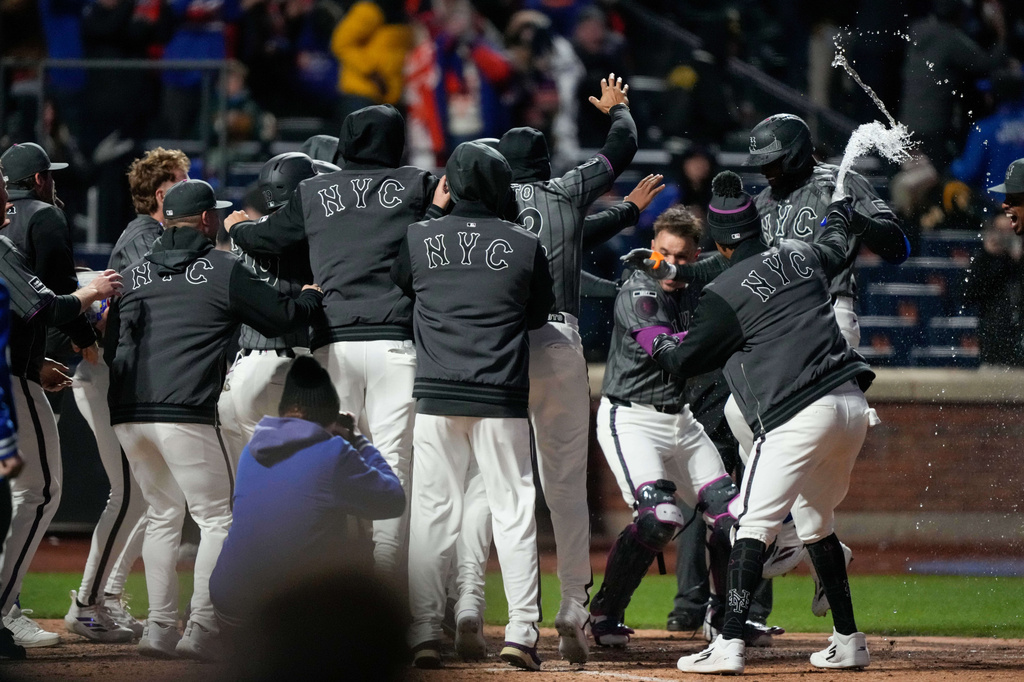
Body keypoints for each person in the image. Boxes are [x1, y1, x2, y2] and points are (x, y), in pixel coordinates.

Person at [645, 172, 874, 674]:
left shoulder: (723, 291)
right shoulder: (798, 252)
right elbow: (836, 243)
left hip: (800, 414)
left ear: (720, 245)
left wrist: (655, 338)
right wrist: (838, 210)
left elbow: (684, 362)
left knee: (751, 524)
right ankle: (848, 639)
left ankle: (728, 644)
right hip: (851, 407)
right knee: (818, 523)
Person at [225, 104, 447, 585]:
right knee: (393, 473)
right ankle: (393, 593)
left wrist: (235, 228)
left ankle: (344, 584)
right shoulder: (419, 183)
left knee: (332, 464)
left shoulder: (313, 190)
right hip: (397, 345)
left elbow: (266, 238)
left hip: (334, 349)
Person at [106, 179, 324, 661]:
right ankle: (200, 629)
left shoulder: (136, 271)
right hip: (182, 410)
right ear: (207, 220)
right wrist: (309, 296)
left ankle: (159, 630)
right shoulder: (221, 266)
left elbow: (111, 341)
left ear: (165, 221)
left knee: (163, 514)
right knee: (218, 519)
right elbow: (280, 317)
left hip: (127, 413)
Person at [460, 72, 634, 663]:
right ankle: (574, 606)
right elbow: (621, 150)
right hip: (558, 341)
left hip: (499, 347)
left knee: (495, 486)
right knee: (564, 488)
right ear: (544, 160)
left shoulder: (483, 207)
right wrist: (617, 110)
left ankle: (496, 615)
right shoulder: (563, 193)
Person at [391, 141, 554, 671]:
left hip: (437, 393)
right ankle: (522, 630)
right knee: (513, 511)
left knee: (433, 513)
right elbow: (536, 316)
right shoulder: (526, 243)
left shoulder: (418, 237)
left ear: (452, 184)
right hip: (501, 393)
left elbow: (400, 282)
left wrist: (435, 212)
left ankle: (421, 631)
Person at [591, 206, 748, 647]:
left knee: (734, 520)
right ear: (653, 248)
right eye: (663, 253)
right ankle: (605, 613)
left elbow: (734, 256)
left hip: (681, 419)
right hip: (632, 417)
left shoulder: (696, 283)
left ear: (694, 255)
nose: (671, 265)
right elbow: (664, 349)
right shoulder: (638, 291)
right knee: (661, 517)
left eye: (682, 257)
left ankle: (725, 617)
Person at [64, 147, 191, 644]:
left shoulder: (152, 235)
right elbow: (155, 296)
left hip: (117, 376)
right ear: (163, 193)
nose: (190, 184)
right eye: (183, 181)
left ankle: (107, 596)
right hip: (103, 377)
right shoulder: (144, 237)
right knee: (133, 493)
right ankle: (87, 603)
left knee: (149, 494)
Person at [0, 161, 125, 647]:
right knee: (43, 491)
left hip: (18, 369)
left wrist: (34, 364)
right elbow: (45, 305)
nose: (9, 202)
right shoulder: (9, 241)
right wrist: (91, 291)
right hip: (11, 381)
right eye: (0, 194)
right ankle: (4, 610)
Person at [210, 356, 404, 635]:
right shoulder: (334, 452)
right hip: (282, 610)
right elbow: (393, 499)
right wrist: (358, 439)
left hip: (229, 605)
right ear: (329, 416)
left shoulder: (252, 449)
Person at [218, 152, 339, 465]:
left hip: (241, 372)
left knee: (248, 489)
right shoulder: (303, 232)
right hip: (286, 370)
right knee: (296, 483)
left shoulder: (243, 230)